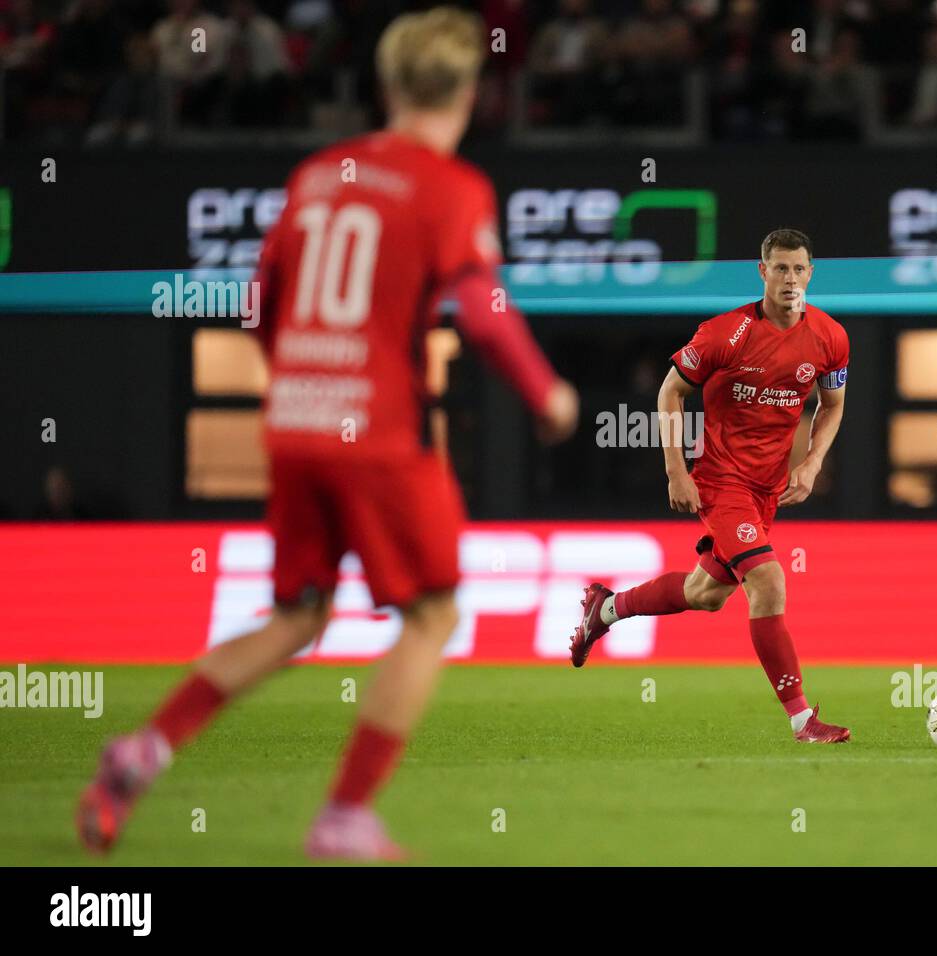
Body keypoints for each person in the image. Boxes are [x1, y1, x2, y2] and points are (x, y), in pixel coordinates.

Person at [76, 7, 579, 862]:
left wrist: (301, 377)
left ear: (385, 85)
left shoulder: (319, 175)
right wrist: (546, 392)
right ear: (469, 92)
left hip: (297, 421)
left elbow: (259, 302)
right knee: (432, 613)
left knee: (295, 616)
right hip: (378, 433)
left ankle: (142, 749)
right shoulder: (452, 188)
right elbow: (485, 311)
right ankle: (344, 814)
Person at [569, 229, 852, 744]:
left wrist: (810, 465)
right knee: (768, 581)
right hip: (723, 481)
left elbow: (832, 406)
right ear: (762, 272)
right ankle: (802, 720)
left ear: (811, 273)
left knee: (705, 594)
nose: (790, 278)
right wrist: (676, 470)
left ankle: (604, 609)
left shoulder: (830, 337)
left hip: (768, 490)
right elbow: (669, 392)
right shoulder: (727, 333)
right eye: (780, 268)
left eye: (799, 269)